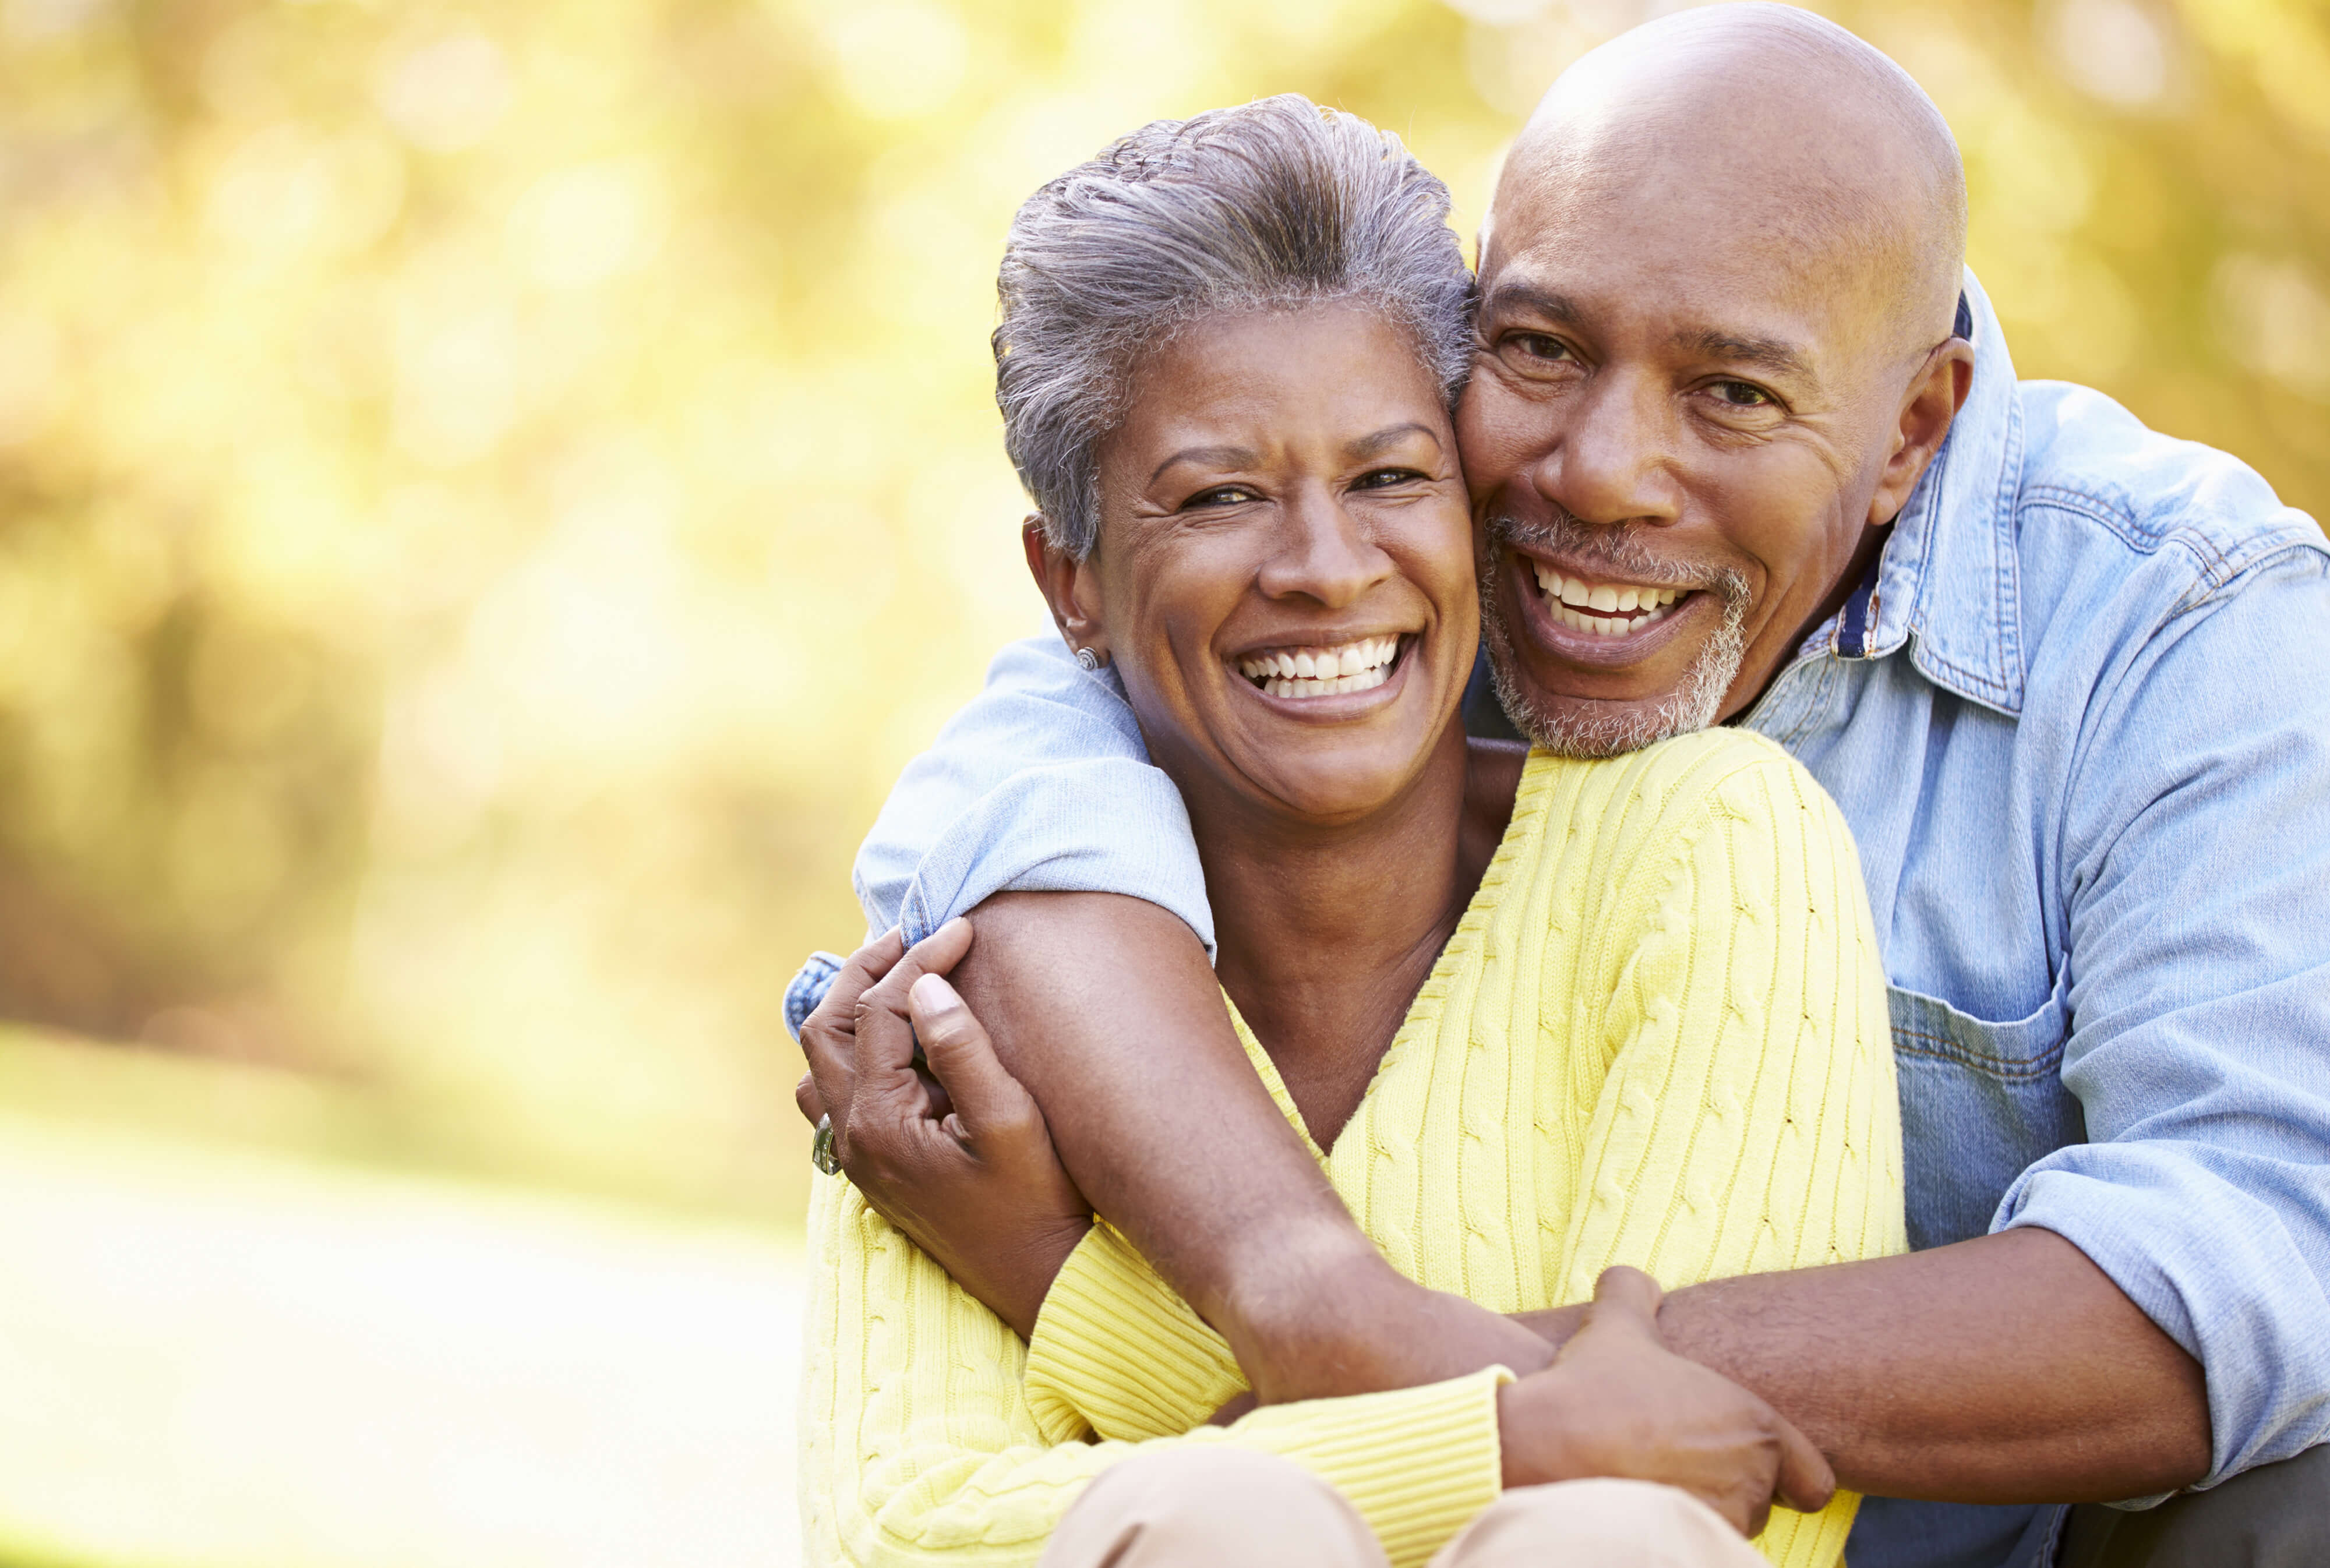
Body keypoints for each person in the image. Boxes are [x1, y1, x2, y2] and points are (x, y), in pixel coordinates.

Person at [794, 8, 2330, 1568]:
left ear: (1909, 433)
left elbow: (2257, 1253)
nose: (1597, 472)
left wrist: (1138, 1297)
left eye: (1731, 392)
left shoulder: (2182, 624)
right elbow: (1027, 777)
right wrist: (1329, 1318)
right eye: (1540, 348)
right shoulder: (1376, 554)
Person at [792, 94, 1910, 1568]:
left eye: (1390, 477)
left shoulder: (1706, 847)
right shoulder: (970, 971)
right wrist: (1510, 1443)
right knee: (1215, 1524)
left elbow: (1696, 1503)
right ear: (1070, 580)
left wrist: (1066, 1286)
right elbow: (917, 1530)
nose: (1325, 567)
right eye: (1220, 496)